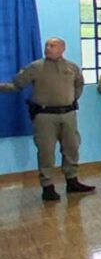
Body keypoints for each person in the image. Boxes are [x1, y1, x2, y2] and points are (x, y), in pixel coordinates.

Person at [0, 37, 94, 201]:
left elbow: (79, 84)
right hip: (45, 117)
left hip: (68, 115)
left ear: (62, 49)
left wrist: (72, 99)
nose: (48, 48)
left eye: (53, 45)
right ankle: (48, 186)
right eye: (47, 45)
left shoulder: (71, 67)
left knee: (71, 147)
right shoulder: (35, 67)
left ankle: (72, 181)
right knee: (46, 152)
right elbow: (16, 84)